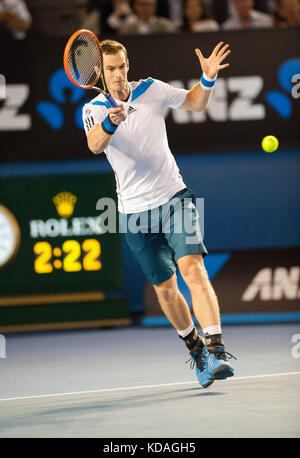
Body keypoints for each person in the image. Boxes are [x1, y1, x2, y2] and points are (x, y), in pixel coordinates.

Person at [82, 39, 235, 388]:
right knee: (165, 290)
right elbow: (94, 144)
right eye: (110, 69)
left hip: (173, 197)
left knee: (192, 268)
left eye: (122, 66)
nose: (118, 74)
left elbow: (196, 102)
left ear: (128, 65)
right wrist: (110, 121)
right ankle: (195, 348)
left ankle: (216, 349)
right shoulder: (92, 109)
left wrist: (207, 79)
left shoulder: (151, 89)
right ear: (99, 73)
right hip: (134, 212)